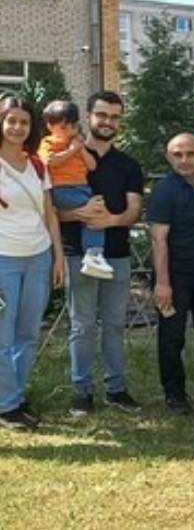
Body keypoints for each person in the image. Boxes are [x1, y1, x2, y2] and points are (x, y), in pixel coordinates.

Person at [58, 91, 145, 417]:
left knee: (114, 325)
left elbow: (134, 210)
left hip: (117, 255)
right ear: (89, 116)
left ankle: (116, 389)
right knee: (82, 326)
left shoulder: (128, 165)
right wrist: (78, 214)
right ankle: (81, 392)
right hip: (78, 253)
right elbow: (50, 209)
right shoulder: (68, 156)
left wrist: (113, 220)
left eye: (114, 116)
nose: (108, 122)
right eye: (102, 115)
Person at [0, 97, 65, 430]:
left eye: (24, 122)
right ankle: (6, 406)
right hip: (3, 260)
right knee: (2, 336)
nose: (17, 127)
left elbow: (49, 213)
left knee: (27, 333)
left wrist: (58, 257)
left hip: (38, 257)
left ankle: (15, 395)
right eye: (11, 120)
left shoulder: (38, 165)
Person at [147, 133, 194, 414]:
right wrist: (162, 283)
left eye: (190, 154)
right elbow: (159, 239)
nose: (184, 160)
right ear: (169, 157)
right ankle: (175, 394)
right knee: (172, 337)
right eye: (177, 155)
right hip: (174, 276)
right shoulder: (163, 191)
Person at [37, 101, 110, 279]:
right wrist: (72, 150)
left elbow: (92, 166)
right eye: (64, 127)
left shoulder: (77, 143)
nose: (69, 130)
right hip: (62, 188)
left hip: (82, 188)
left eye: (73, 125)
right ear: (50, 126)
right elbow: (49, 162)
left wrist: (80, 149)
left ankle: (92, 254)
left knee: (93, 215)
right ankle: (94, 254)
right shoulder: (49, 142)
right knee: (95, 212)